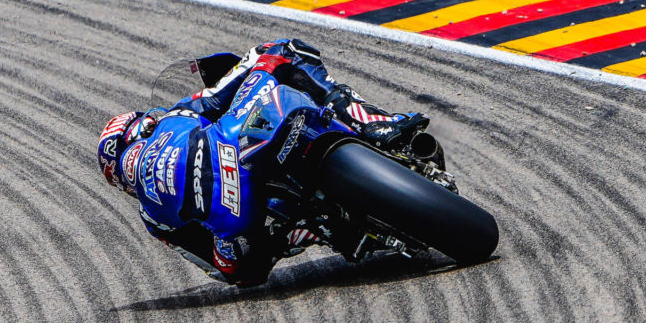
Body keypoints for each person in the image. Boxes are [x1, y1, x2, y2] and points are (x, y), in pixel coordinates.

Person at [97, 38, 429, 287]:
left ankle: (321, 229)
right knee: (282, 51)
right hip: (243, 146)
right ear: (142, 128)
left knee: (245, 261)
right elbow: (215, 97)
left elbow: (228, 271)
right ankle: (373, 124)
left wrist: (250, 245)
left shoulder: (154, 220)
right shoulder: (175, 116)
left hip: (248, 221)